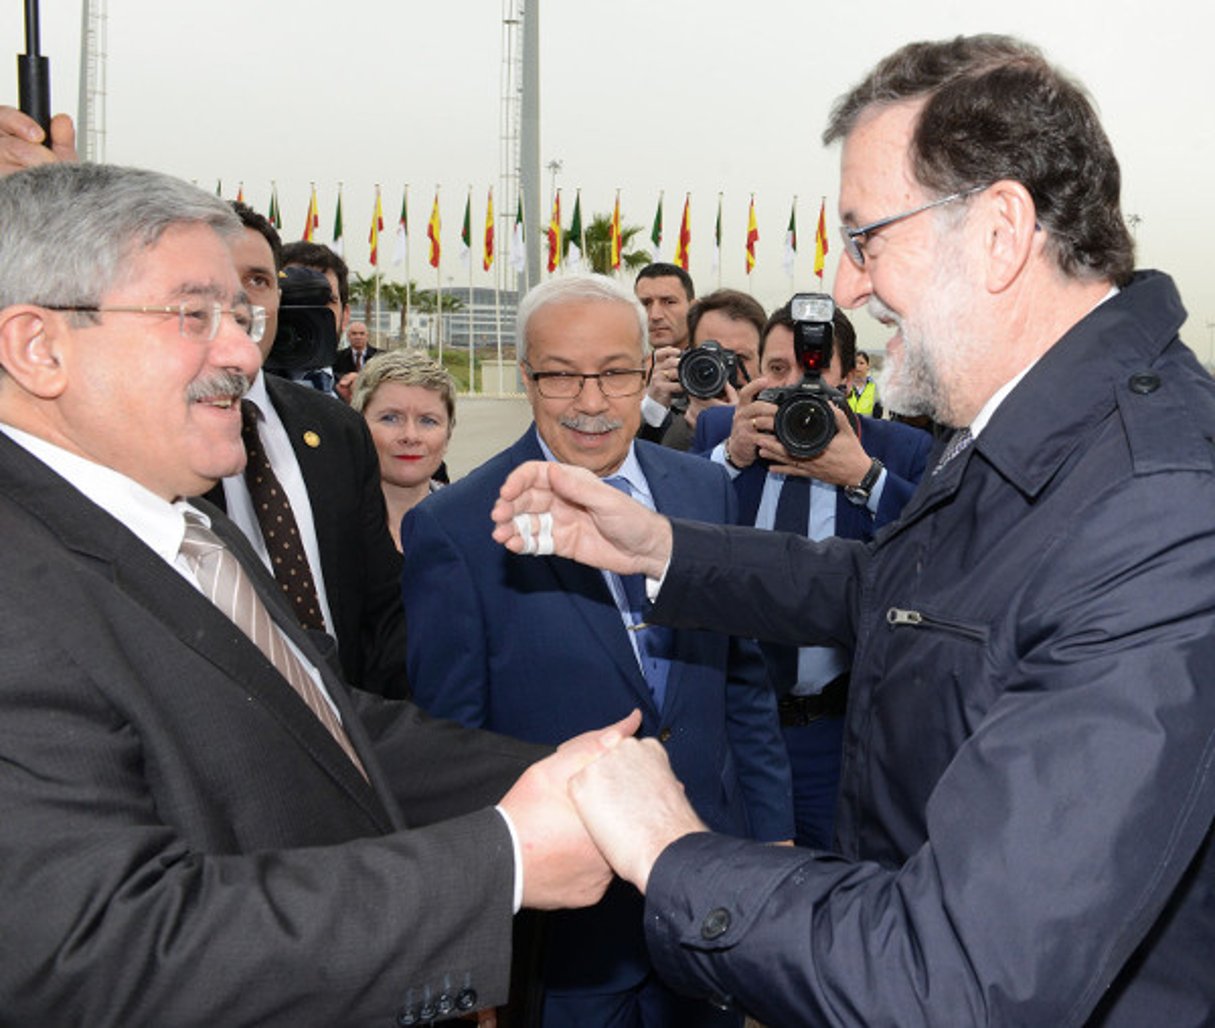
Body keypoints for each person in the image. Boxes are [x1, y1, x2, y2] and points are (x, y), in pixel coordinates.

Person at [490, 35, 1215, 1027]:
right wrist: (659, 544)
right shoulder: (1028, 420)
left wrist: (670, 851)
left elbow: (958, 976)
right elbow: (890, 590)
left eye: (867, 237)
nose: (849, 285)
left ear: (1000, 231)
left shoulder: (1160, 504)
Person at [0, 161, 636, 1025]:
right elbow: (98, 949)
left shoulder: (190, 526)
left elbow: (330, 732)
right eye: (194, 315)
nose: (240, 350)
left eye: (242, 314)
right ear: (41, 347)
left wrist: (579, 778)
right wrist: (503, 860)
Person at [401, 274, 792, 1028]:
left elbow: (742, 681)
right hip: (565, 929)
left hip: (709, 895)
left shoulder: (702, 493)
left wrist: (771, 838)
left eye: (615, 373)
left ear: (649, 371)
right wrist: (473, 945)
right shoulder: (454, 528)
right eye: (560, 375)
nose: (589, 401)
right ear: (525, 375)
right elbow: (450, 749)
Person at [694, 302, 932, 847]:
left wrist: (864, 477)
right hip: (733, 727)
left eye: (814, 370)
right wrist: (730, 457)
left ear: (850, 377)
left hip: (837, 731)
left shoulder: (898, 449)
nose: (796, 384)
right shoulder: (719, 429)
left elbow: (941, 552)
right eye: (777, 369)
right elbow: (666, 524)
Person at [207, 202, 410, 700]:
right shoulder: (143, 438)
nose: (240, 300)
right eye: (216, 279)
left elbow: (383, 603)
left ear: (280, 295)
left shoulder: (337, 428)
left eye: (257, 280)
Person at [351, 349, 456, 550]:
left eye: (428, 421)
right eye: (390, 418)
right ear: (358, 425)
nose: (410, 436)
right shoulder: (320, 523)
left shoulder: (477, 523)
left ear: (448, 434)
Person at [658, 288, 766, 452]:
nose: (725, 369)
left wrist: (729, 426)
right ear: (690, 355)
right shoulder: (668, 415)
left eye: (740, 358)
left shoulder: (778, 419)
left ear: (763, 360)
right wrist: (652, 410)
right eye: (713, 355)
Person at [633, 262, 694, 444]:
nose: (655, 315)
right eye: (645, 303)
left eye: (669, 302)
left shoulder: (714, 372)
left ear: (694, 307)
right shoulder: (623, 372)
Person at [846, 349, 882, 417]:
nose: (857, 366)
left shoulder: (876, 388)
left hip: (868, 426)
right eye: (855, 363)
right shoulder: (844, 386)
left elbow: (878, 415)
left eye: (861, 363)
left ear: (868, 366)